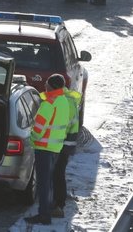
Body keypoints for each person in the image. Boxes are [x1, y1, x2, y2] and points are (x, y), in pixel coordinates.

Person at [25, 73, 73, 226]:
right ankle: (48, 210)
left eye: (47, 83)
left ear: (51, 86)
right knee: (49, 182)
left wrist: (32, 138)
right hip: (55, 147)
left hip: (43, 147)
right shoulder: (63, 102)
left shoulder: (49, 103)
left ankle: (44, 215)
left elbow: (39, 127)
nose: (45, 85)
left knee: (43, 184)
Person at [53, 86, 83, 217]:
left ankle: (58, 205)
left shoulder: (61, 102)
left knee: (56, 175)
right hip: (67, 144)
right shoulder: (70, 100)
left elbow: (58, 125)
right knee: (59, 174)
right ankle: (59, 203)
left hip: (58, 144)